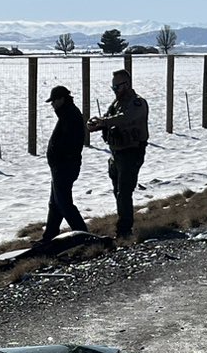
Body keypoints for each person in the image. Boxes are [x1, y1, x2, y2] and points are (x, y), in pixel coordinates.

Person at [88, 67, 149, 239]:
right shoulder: (115, 104)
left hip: (131, 152)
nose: (115, 90)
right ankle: (123, 223)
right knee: (117, 191)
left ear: (127, 85)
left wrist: (104, 121)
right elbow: (107, 118)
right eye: (113, 87)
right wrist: (96, 124)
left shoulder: (137, 103)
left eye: (118, 87)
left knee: (124, 192)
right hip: (116, 153)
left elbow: (126, 118)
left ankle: (124, 230)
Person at [42, 85, 89, 239]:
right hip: (60, 166)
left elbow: (71, 143)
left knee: (64, 204)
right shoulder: (66, 114)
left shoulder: (70, 115)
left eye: (54, 101)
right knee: (55, 204)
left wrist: (59, 157)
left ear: (62, 99)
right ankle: (49, 236)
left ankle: (83, 235)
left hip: (65, 167)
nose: (52, 104)